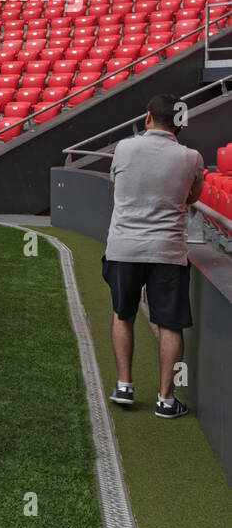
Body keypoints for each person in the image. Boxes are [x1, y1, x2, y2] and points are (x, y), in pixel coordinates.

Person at [103, 93, 205, 418]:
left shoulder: (123, 147)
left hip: (124, 247)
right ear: (180, 124)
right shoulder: (192, 157)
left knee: (123, 314)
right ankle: (166, 399)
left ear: (148, 117)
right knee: (170, 326)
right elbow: (193, 197)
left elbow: (117, 188)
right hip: (168, 251)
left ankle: (124, 385)